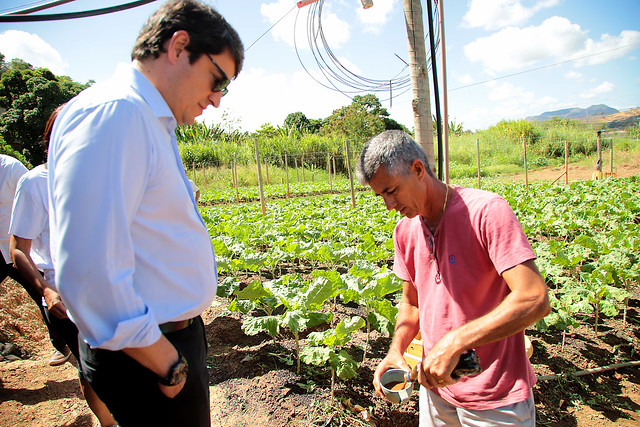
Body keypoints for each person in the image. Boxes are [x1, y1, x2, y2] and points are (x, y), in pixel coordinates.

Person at [47, 1, 244, 425]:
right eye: (218, 79)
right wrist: (166, 362)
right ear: (179, 46)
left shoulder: (146, 118)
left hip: (159, 343)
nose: (216, 99)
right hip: (146, 356)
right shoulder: (116, 113)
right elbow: (87, 271)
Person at [358, 131, 550, 426]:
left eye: (392, 190)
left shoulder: (486, 212)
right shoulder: (405, 232)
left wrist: (455, 342)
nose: (389, 205)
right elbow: (411, 306)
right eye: (381, 195)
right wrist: (395, 351)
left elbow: (534, 298)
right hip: (437, 395)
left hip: (495, 397)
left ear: (418, 170)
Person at [9, 106, 117, 427]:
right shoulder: (33, 184)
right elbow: (18, 250)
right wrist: (46, 290)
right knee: (91, 366)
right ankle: (107, 422)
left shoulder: (99, 178)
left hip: (107, 285)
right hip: (63, 295)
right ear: (53, 141)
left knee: (123, 359)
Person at [0, 153, 71, 366]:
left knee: (42, 296)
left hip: (24, 248)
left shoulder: (11, 168)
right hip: (7, 250)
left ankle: (60, 345)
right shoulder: (33, 179)